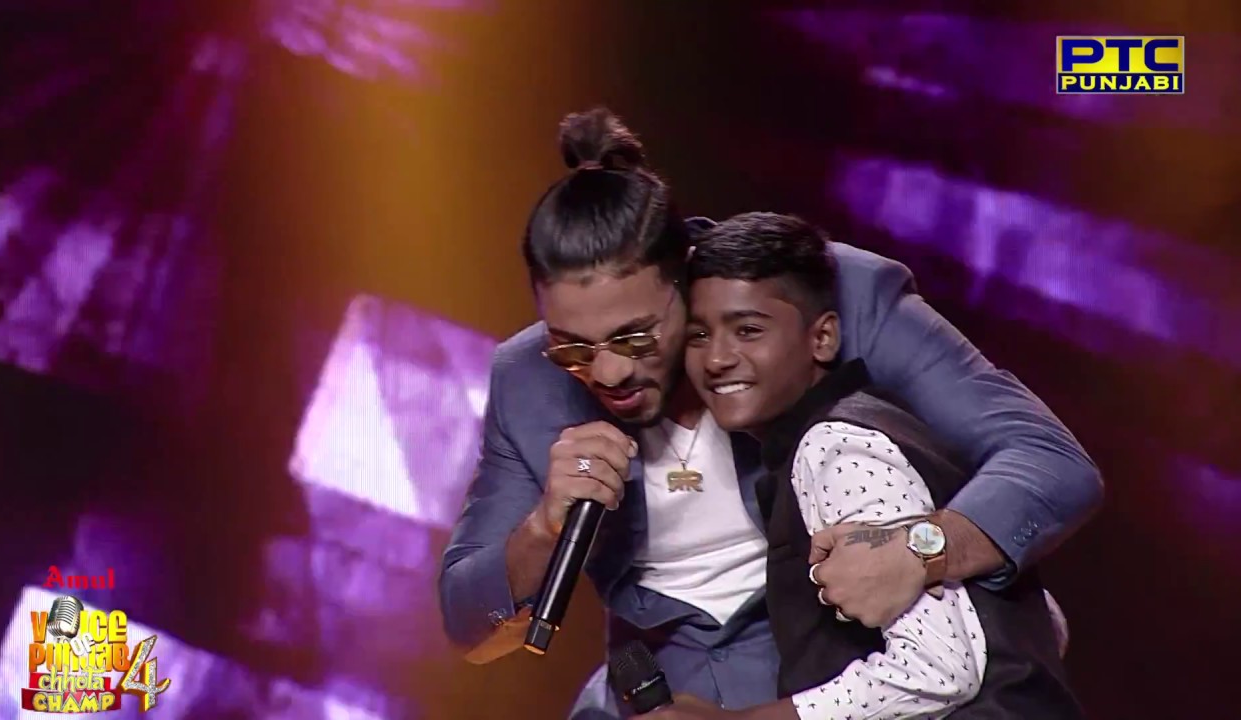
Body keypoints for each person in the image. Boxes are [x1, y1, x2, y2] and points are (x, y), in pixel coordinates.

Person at [437, 108, 1101, 714]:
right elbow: (469, 626)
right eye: (572, 347)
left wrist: (921, 549)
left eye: (636, 337)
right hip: (660, 695)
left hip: (844, 677)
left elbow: (1048, 460)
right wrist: (543, 527)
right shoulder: (528, 379)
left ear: (688, 277)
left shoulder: (813, 293)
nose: (607, 372)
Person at [648, 212, 1083, 719]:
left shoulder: (835, 449)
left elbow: (938, 671)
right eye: (698, 336)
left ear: (823, 338)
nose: (717, 358)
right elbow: (1031, 622)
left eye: (748, 330)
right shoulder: (871, 424)